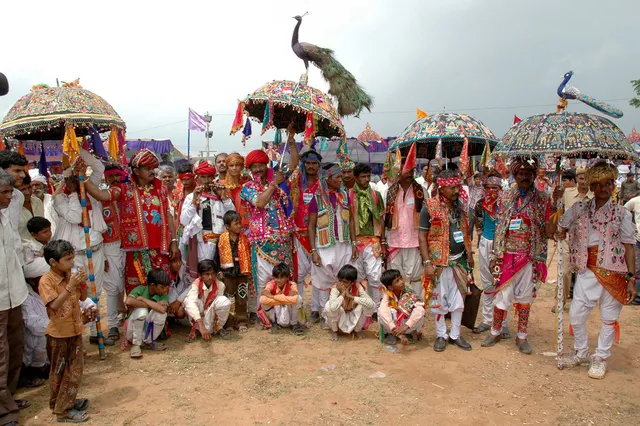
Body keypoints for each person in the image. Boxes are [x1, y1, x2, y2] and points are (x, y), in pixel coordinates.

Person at [554, 162, 637, 379]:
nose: (603, 189)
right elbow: (559, 226)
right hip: (586, 270)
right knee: (576, 315)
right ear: (591, 187)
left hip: (615, 271)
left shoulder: (621, 213)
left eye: (608, 184)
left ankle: (600, 358)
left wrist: (631, 278)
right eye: (598, 185)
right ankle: (581, 352)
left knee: (608, 318)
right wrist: (558, 218)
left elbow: (629, 246)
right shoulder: (580, 208)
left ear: (613, 186)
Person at [79, 149, 180, 294]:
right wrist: (84, 178)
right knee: (138, 287)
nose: (152, 171)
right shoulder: (124, 190)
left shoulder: (161, 189)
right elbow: (101, 195)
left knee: (161, 286)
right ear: (136, 171)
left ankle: (161, 314)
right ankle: (137, 316)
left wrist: (174, 241)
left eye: (153, 168)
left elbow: (168, 216)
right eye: (147, 168)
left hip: (160, 248)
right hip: (136, 250)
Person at [482, 157, 554, 354]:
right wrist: (496, 253)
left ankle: (522, 336)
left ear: (534, 175)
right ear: (514, 175)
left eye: (529, 173)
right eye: (521, 173)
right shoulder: (505, 196)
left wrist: (554, 211)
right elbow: (499, 225)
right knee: (501, 295)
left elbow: (547, 229)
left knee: (525, 297)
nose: (525, 177)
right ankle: (495, 331)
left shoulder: (543, 198)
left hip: (529, 255)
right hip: (507, 254)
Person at [240, 133, 299, 318]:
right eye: (254, 166)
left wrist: (290, 139)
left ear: (266, 166)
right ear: (250, 169)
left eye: (261, 165)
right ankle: (266, 316)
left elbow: (294, 164)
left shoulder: (279, 180)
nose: (258, 169)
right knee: (264, 280)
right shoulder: (247, 187)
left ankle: (286, 315)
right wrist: (274, 184)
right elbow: (260, 203)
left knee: (284, 279)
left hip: (282, 239)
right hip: (261, 242)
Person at [53, 162, 110, 346]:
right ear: (67, 179)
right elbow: (75, 217)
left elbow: (99, 168)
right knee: (77, 294)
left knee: (96, 291)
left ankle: (95, 332)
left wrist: (81, 152)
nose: (78, 180)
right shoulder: (60, 198)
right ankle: (77, 334)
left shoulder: (89, 187)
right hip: (74, 255)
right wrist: (74, 193)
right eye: (74, 177)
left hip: (96, 250)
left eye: (79, 176)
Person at [418, 169, 474, 352]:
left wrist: (470, 254)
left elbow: (465, 231)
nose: (457, 191)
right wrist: (427, 263)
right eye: (452, 188)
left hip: (460, 261)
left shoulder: (460, 206)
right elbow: (422, 235)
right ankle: (441, 335)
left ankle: (455, 335)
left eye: (458, 187)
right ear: (441, 188)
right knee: (439, 300)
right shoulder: (429, 205)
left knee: (459, 300)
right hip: (438, 263)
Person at [20, 258, 96, 390]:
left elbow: (80, 299)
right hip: (41, 343)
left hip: (62, 333)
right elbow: (36, 325)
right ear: (33, 280)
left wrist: (91, 308)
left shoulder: (58, 286)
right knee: (44, 338)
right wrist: (79, 320)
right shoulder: (26, 298)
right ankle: (38, 370)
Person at [39, 240, 90, 423]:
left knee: (74, 370)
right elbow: (53, 305)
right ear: (53, 262)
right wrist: (70, 287)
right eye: (68, 259)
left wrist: (82, 283)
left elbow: (83, 297)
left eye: (72, 258)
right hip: (59, 335)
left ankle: (65, 402)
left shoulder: (71, 275)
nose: (72, 262)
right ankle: (62, 411)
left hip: (74, 330)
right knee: (61, 372)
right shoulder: (46, 281)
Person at [308, 165, 357, 328]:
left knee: (343, 279)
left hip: (343, 244)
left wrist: (354, 243)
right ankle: (325, 315)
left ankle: (343, 311)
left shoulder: (344, 196)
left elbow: (350, 220)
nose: (340, 180)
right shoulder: (317, 198)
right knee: (323, 282)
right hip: (324, 245)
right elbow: (311, 226)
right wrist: (313, 250)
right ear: (327, 179)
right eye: (337, 177)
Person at [0, 169, 30, 425]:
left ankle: (8, 396)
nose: (10, 197)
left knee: (15, 345)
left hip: (14, 294)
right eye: (5, 193)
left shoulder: (4, 217)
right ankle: (5, 411)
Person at [472, 174, 510, 336]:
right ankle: (487, 320)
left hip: (503, 245)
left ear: (500, 189)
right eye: (487, 188)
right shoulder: (481, 204)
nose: (491, 191)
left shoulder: (506, 205)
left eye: (494, 188)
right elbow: (477, 221)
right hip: (485, 242)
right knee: (487, 282)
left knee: (503, 284)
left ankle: (503, 322)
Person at [180, 160, 235, 272]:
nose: (206, 180)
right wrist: (195, 201)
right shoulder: (191, 197)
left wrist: (224, 198)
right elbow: (184, 220)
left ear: (213, 177)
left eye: (209, 177)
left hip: (222, 242)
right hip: (203, 242)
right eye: (203, 177)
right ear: (197, 178)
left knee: (222, 273)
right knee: (205, 272)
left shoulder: (220, 194)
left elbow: (232, 215)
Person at [551, 168, 593, 313]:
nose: (583, 181)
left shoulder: (595, 196)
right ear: (577, 180)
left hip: (588, 240)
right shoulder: (567, 193)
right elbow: (558, 210)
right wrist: (555, 197)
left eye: (586, 178)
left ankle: (583, 303)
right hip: (568, 237)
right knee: (563, 271)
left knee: (585, 273)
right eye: (581, 178)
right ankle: (560, 301)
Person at [385, 164, 425, 298]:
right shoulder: (389, 192)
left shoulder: (422, 191)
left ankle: (416, 306)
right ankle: (396, 308)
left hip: (414, 241)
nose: (409, 173)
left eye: (412, 170)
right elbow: (384, 217)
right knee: (394, 278)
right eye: (406, 170)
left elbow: (427, 217)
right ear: (398, 171)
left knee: (416, 277)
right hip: (394, 241)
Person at [350, 163, 386, 311]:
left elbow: (381, 219)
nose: (366, 179)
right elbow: (349, 220)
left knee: (375, 276)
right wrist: (352, 242)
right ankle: (359, 307)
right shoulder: (349, 195)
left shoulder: (376, 195)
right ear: (356, 178)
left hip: (374, 240)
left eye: (368, 176)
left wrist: (383, 240)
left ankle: (376, 309)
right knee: (356, 276)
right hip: (356, 241)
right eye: (363, 177)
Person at [291, 150, 322, 316]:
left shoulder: (324, 185)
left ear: (319, 165)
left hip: (319, 236)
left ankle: (316, 308)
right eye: (308, 163)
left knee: (318, 273)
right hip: (298, 235)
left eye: (314, 163)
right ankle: (300, 307)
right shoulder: (296, 184)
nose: (311, 166)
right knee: (300, 274)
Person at [100, 163, 127, 344]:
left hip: (131, 244)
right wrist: (101, 254)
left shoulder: (129, 195)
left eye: (118, 176)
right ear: (106, 178)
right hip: (110, 246)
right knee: (112, 287)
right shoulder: (100, 198)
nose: (115, 180)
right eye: (111, 177)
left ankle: (125, 315)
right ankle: (112, 326)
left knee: (126, 283)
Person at [213, 211, 251, 333]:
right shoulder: (221, 240)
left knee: (242, 297)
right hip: (228, 274)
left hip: (242, 273)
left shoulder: (244, 239)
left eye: (240, 223)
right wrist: (219, 272)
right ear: (227, 226)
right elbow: (217, 257)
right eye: (236, 224)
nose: (239, 226)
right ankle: (228, 323)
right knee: (228, 298)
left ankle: (241, 322)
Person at [125, 269, 171, 358]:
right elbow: (129, 301)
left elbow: (162, 310)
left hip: (146, 332)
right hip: (132, 332)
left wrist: (143, 299)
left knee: (162, 315)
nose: (165, 290)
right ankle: (136, 345)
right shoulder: (140, 289)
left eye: (166, 287)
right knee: (142, 311)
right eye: (162, 287)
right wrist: (155, 304)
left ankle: (149, 341)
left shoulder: (163, 295)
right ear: (152, 285)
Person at [323, 264, 375, 341]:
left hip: (352, 315)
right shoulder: (336, 288)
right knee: (328, 307)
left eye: (345, 282)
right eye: (340, 280)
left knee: (370, 305)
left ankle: (357, 330)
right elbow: (333, 307)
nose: (341, 284)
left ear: (353, 282)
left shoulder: (357, 286)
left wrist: (352, 297)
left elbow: (370, 303)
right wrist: (343, 294)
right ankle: (334, 331)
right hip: (339, 316)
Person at [184, 260, 232, 342]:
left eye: (213, 274)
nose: (210, 277)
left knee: (224, 302)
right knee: (189, 302)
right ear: (200, 275)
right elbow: (190, 303)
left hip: (210, 315)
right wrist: (200, 324)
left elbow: (217, 306)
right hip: (199, 317)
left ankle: (218, 328)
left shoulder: (220, 285)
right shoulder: (196, 285)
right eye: (207, 274)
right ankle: (197, 329)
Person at [377, 269, 425, 345]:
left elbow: (420, 310)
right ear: (390, 287)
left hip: (406, 327)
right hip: (393, 328)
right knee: (382, 312)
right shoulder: (387, 295)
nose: (402, 282)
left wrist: (406, 326)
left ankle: (408, 333)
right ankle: (392, 333)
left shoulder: (409, 292)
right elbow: (383, 312)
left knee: (420, 312)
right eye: (397, 281)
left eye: (401, 278)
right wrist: (396, 331)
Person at [259, 263, 305, 335]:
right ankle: (274, 322)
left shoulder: (292, 285)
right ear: (273, 277)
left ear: (287, 277)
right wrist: (283, 300)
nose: (278, 280)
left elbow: (295, 299)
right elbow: (263, 299)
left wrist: (273, 296)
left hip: (289, 311)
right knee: (262, 300)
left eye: (281, 277)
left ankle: (294, 324)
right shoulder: (271, 284)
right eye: (276, 277)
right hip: (277, 310)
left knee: (299, 299)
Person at [17, 174, 45, 242]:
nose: (27, 192)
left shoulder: (37, 202)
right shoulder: (11, 209)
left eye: (29, 187)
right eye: (23, 189)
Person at [624, 194, 640, 305]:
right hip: (638, 239)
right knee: (637, 268)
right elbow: (623, 211)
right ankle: (637, 298)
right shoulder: (635, 201)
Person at [467, 172, 484, 242]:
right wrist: (474, 174)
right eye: (476, 179)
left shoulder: (483, 188)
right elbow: (468, 180)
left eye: (479, 179)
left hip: (479, 210)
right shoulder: (472, 187)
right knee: (470, 225)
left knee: (479, 226)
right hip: (471, 208)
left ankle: (479, 241)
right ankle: (469, 241)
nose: (478, 181)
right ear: (474, 180)